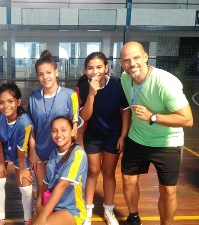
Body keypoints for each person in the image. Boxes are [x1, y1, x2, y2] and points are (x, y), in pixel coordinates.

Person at [119, 41, 193, 225]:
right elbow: (127, 107)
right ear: (121, 63)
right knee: (128, 180)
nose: (132, 63)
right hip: (137, 138)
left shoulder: (165, 82)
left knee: (168, 191)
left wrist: (153, 117)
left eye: (136, 58)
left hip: (167, 143)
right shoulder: (124, 79)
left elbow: (187, 119)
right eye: (127, 60)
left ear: (146, 57)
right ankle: (134, 217)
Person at [75, 52, 131, 225]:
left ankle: (108, 210)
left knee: (108, 172)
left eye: (99, 67)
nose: (95, 71)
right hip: (92, 135)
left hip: (113, 135)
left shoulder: (116, 84)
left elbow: (126, 110)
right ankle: (88, 211)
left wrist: (122, 136)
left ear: (106, 68)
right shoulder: (83, 86)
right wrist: (91, 94)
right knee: (92, 172)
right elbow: (85, 116)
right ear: (85, 71)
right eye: (90, 68)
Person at [27, 50, 79, 207]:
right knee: (42, 188)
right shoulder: (33, 97)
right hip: (41, 153)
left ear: (56, 72)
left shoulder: (70, 95)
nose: (45, 77)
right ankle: (40, 217)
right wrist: (33, 153)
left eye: (49, 72)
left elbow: (74, 127)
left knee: (59, 190)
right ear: (37, 76)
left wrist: (68, 153)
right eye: (41, 74)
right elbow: (31, 129)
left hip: (62, 153)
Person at [0, 82, 34, 225]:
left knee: (25, 183)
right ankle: (0, 216)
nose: (5, 106)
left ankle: (28, 218)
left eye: (10, 101)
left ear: (18, 102)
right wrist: (1, 164)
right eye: (1, 102)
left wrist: (21, 169)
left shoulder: (25, 122)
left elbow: (21, 149)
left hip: (20, 153)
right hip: (2, 149)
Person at [32, 116, 88, 225]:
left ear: (72, 132)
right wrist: (38, 202)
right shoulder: (54, 153)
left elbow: (62, 185)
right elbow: (45, 184)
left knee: (44, 223)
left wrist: (43, 216)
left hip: (72, 210)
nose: (58, 134)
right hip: (53, 206)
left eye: (63, 130)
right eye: (54, 131)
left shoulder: (78, 153)